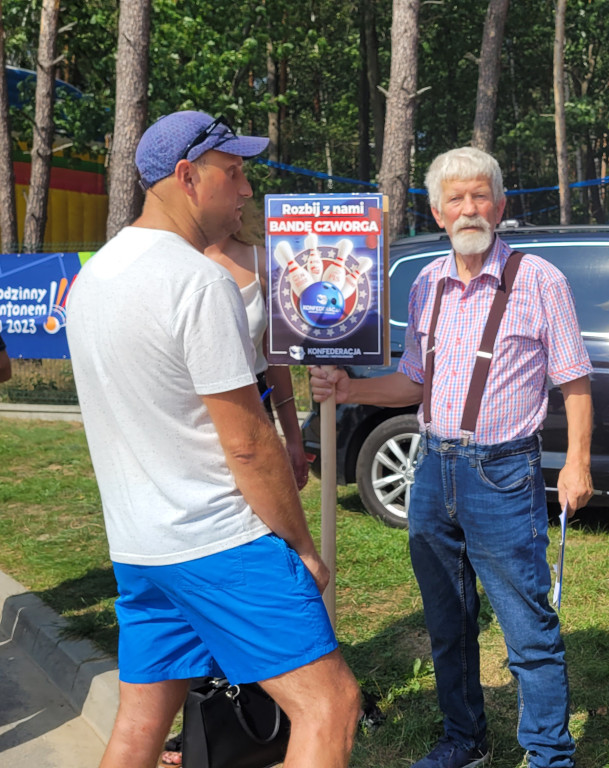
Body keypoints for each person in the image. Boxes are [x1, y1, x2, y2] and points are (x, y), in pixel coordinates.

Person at [65, 110, 360, 768]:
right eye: (234, 174)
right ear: (187, 177)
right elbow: (250, 443)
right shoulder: (196, 281)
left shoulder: (93, 279)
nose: (247, 191)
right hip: (218, 540)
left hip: (141, 546)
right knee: (331, 708)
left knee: (139, 728)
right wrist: (303, 548)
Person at [311, 146, 593, 768]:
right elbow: (415, 381)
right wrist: (350, 390)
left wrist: (577, 462)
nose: (470, 208)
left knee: (526, 628)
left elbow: (573, 381)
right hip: (432, 468)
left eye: (480, 196)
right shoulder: (427, 284)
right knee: (446, 618)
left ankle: (549, 756)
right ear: (437, 212)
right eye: (456, 199)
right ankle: (465, 741)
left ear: (500, 204)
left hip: (502, 471)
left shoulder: (540, 279)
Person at [204, 200, 308, 489]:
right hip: (194, 414)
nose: (241, 193)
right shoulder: (175, 262)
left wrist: (294, 441)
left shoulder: (261, 261)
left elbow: (275, 358)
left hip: (256, 405)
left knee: (265, 510)